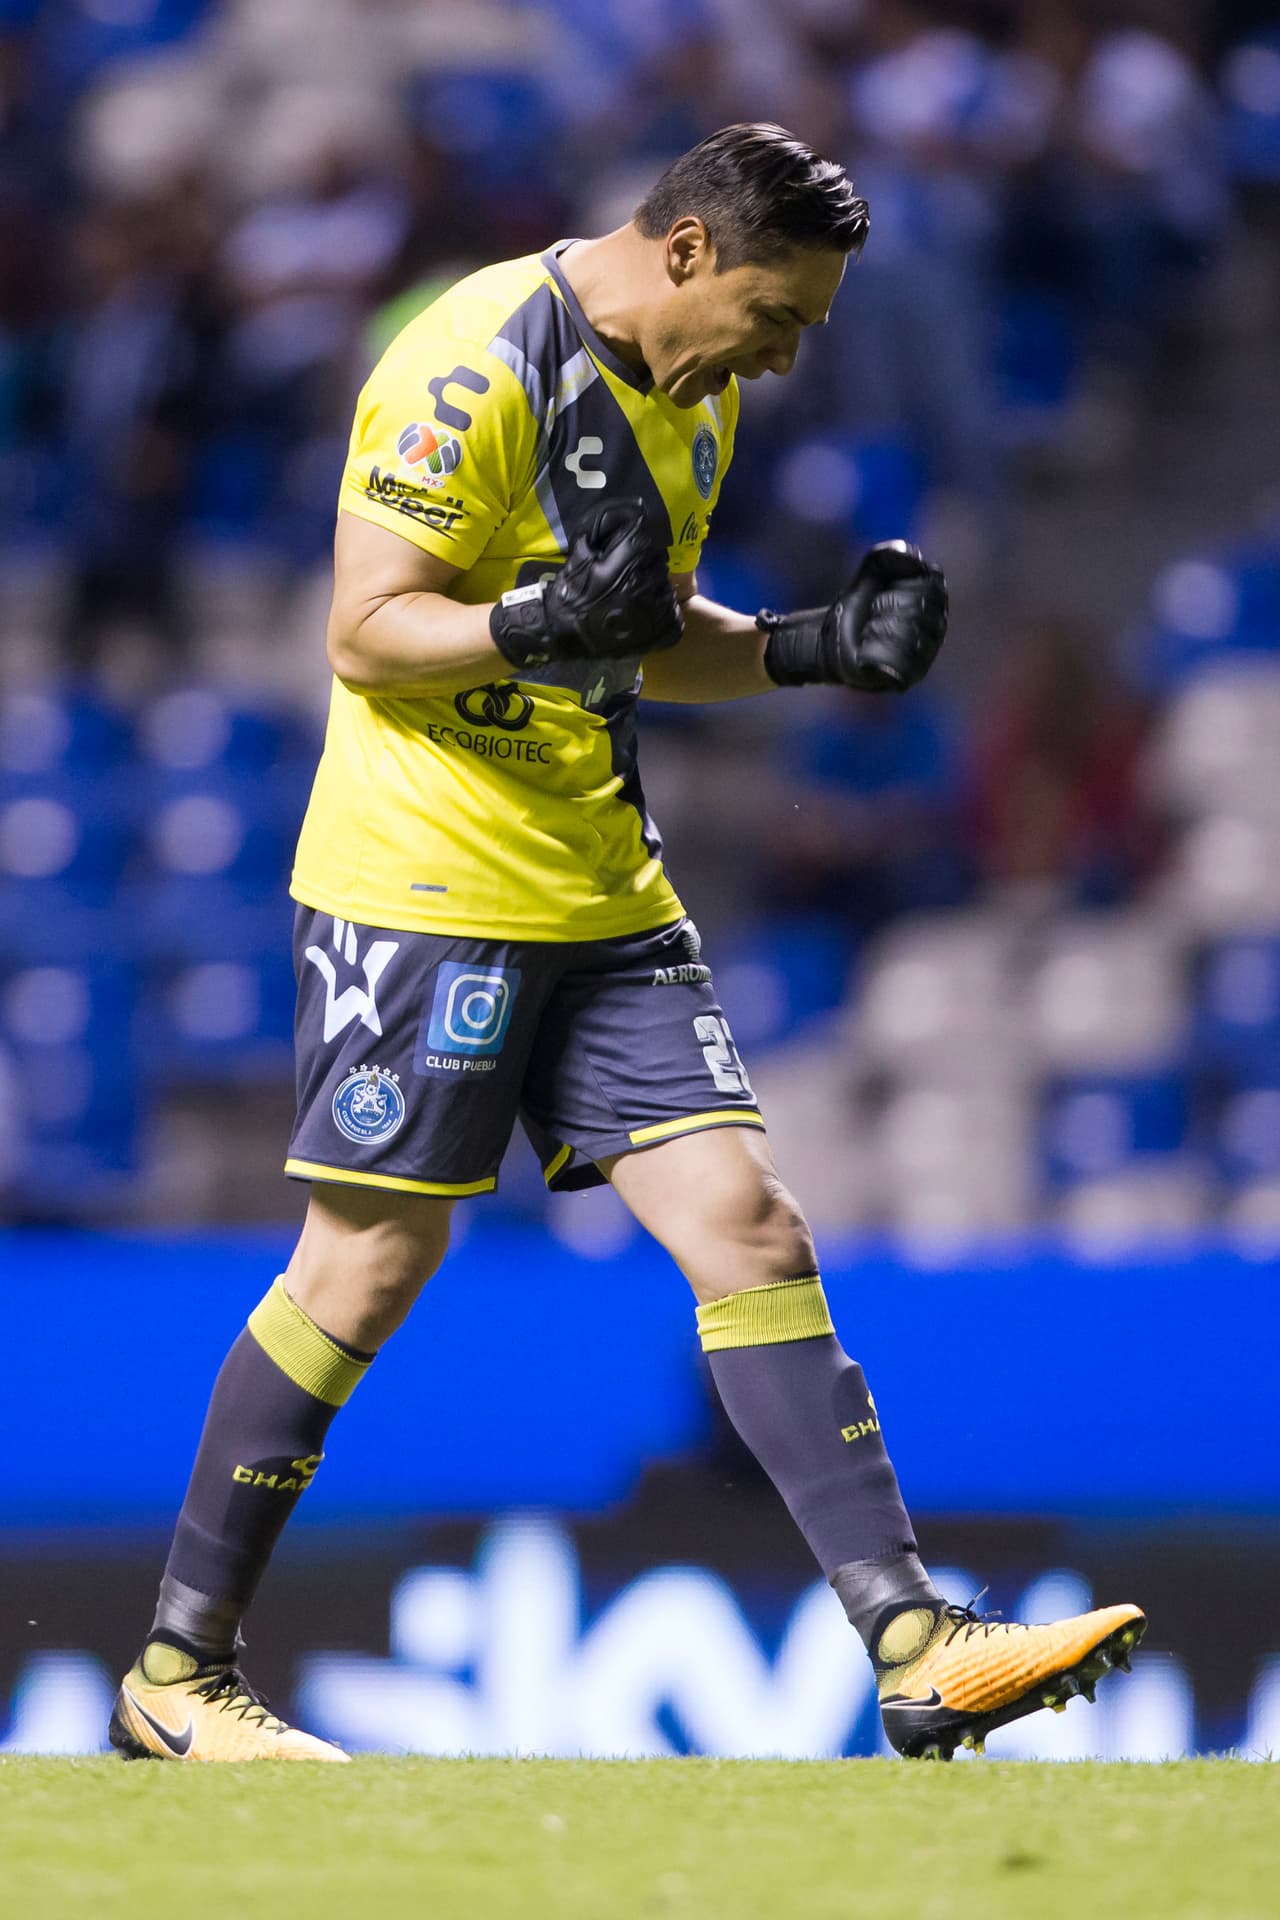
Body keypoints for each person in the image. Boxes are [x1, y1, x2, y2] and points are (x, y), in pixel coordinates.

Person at [109, 124, 1143, 1766]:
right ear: (683, 253)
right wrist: (528, 620)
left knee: (752, 1223)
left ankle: (918, 1642)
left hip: (603, 887)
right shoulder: (472, 363)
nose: (792, 354)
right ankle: (179, 1674)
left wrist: (807, 650)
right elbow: (367, 629)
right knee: (366, 1267)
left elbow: (643, 639)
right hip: (425, 884)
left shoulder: (697, 393)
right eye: (781, 313)